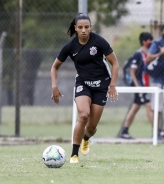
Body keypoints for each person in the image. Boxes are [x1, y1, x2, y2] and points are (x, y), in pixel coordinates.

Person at [51, 13, 119, 164]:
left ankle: (86, 138)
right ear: (75, 28)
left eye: (86, 27)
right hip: (83, 83)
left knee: (92, 127)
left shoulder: (99, 42)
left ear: (90, 28)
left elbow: (115, 63)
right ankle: (74, 155)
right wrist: (54, 86)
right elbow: (54, 67)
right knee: (83, 115)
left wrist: (112, 85)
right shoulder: (70, 46)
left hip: (101, 86)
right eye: (80, 27)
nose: (83, 30)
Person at [119, 32, 154, 139]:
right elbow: (132, 71)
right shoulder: (138, 54)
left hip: (144, 86)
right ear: (144, 41)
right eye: (149, 40)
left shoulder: (147, 54)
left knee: (135, 108)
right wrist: (137, 87)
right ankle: (157, 132)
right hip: (139, 86)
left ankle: (124, 131)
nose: (151, 42)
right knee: (148, 106)